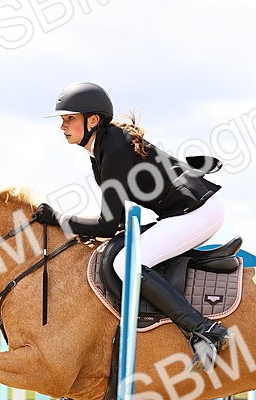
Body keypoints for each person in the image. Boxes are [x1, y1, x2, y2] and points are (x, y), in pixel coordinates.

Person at [32, 82, 230, 370]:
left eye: (70, 118)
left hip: (197, 213)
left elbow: (107, 225)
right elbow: (119, 221)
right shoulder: (102, 149)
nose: (63, 126)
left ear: (93, 120)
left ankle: (206, 330)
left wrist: (58, 219)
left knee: (126, 263)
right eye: (63, 119)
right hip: (185, 211)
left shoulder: (112, 150)